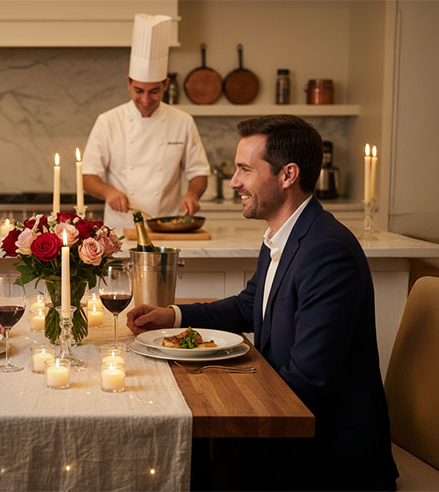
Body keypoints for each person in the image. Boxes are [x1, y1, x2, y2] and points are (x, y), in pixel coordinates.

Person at [127, 115, 399, 490]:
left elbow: (308, 383)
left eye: (245, 170)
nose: (235, 182)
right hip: (290, 430)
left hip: (325, 458)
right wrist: (172, 316)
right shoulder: (284, 233)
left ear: (287, 175)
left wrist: (217, 379)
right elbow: (248, 305)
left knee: (175, 456)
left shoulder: (327, 252)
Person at [82, 14, 210, 230]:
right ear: (128, 83)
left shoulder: (183, 122)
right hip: (120, 229)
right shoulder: (108, 121)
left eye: (154, 92)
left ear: (166, 84)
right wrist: (108, 192)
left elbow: (199, 172)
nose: (145, 99)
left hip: (168, 226)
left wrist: (192, 193)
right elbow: (88, 177)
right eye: (138, 91)